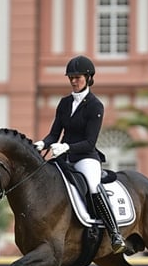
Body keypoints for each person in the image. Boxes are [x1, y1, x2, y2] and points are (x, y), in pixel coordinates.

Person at [33, 55, 126, 253]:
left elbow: (90, 142)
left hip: (85, 157)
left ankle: (114, 232)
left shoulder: (95, 106)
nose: (74, 81)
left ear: (88, 78)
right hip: (64, 155)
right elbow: (54, 134)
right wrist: (42, 143)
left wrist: (66, 147)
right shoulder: (64, 103)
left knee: (93, 185)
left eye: (78, 77)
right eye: (71, 78)